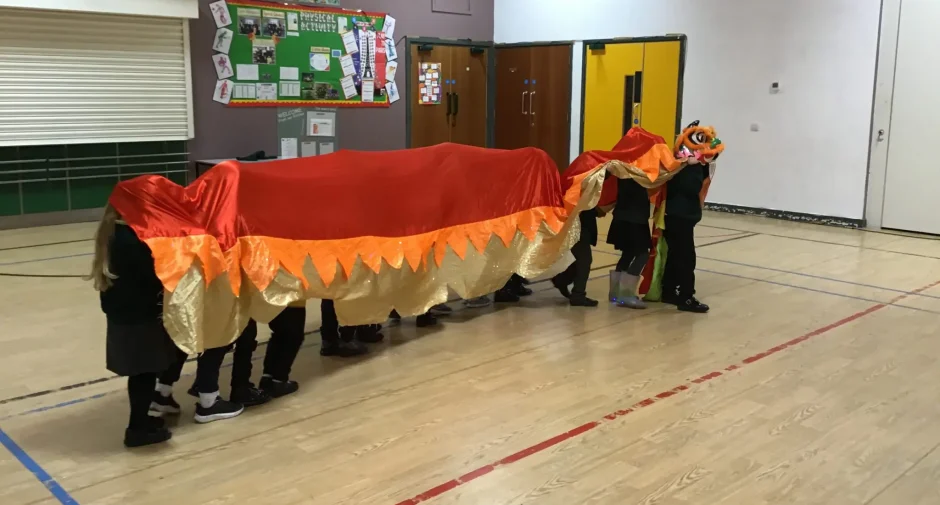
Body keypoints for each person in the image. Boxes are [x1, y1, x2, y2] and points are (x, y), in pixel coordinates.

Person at [88, 206, 240, 448]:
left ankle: (144, 419)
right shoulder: (132, 241)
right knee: (143, 374)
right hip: (139, 318)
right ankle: (137, 429)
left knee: (144, 372)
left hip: (125, 315)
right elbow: (156, 274)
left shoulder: (115, 234)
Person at [661, 162, 710, 313]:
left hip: (675, 214)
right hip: (679, 216)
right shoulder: (687, 166)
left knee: (675, 255)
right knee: (686, 258)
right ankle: (686, 297)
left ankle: (668, 291)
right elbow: (692, 188)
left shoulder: (682, 164)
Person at [606, 178, 652, 309]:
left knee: (628, 253)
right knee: (642, 254)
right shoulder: (635, 171)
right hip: (634, 219)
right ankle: (626, 295)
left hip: (624, 216)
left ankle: (616, 293)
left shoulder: (624, 169)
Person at [552, 208, 600, 306]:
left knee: (579, 259)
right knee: (584, 260)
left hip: (576, 223)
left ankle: (562, 280)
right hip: (577, 225)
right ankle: (578, 295)